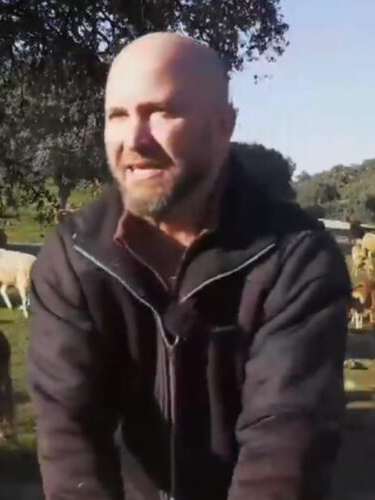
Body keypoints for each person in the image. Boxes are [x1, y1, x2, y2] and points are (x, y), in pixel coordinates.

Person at [27, 31, 351, 500]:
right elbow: (69, 433)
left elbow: (285, 443)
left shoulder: (294, 259)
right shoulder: (75, 256)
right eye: (117, 115)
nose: (134, 140)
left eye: (162, 112)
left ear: (224, 125)